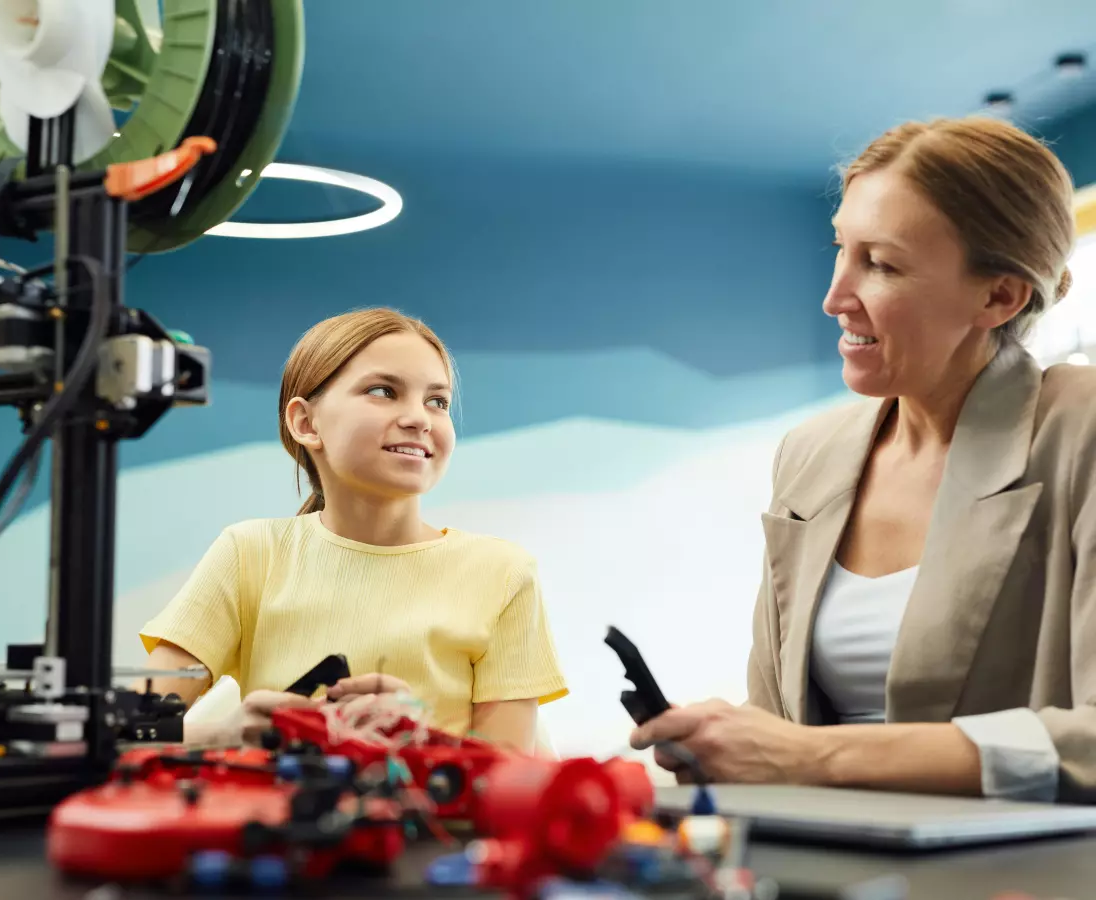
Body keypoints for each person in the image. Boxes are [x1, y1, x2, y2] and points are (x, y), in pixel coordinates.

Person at [630, 115, 1096, 804]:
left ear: (999, 296)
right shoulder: (811, 455)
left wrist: (815, 755)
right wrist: (730, 747)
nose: (833, 298)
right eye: (840, 249)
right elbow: (781, 721)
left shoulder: (1079, 430)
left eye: (880, 264)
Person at [139, 307, 568, 751]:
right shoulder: (248, 553)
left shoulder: (503, 571)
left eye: (437, 401)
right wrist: (220, 734)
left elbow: (510, 781)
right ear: (305, 423)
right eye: (384, 391)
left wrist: (417, 739)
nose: (420, 418)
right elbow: (126, 730)